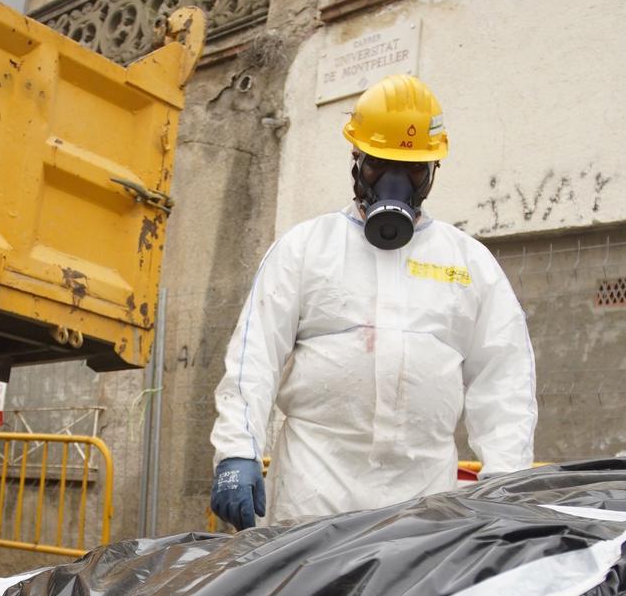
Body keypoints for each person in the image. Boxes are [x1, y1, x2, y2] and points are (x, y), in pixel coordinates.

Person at [209, 73, 536, 528]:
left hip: (424, 502)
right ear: (356, 159)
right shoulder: (307, 247)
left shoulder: (469, 263)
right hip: (314, 491)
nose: (396, 181)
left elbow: (504, 378)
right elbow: (255, 353)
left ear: (432, 171)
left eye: (414, 168)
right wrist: (238, 450)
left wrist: (506, 480)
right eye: (379, 164)